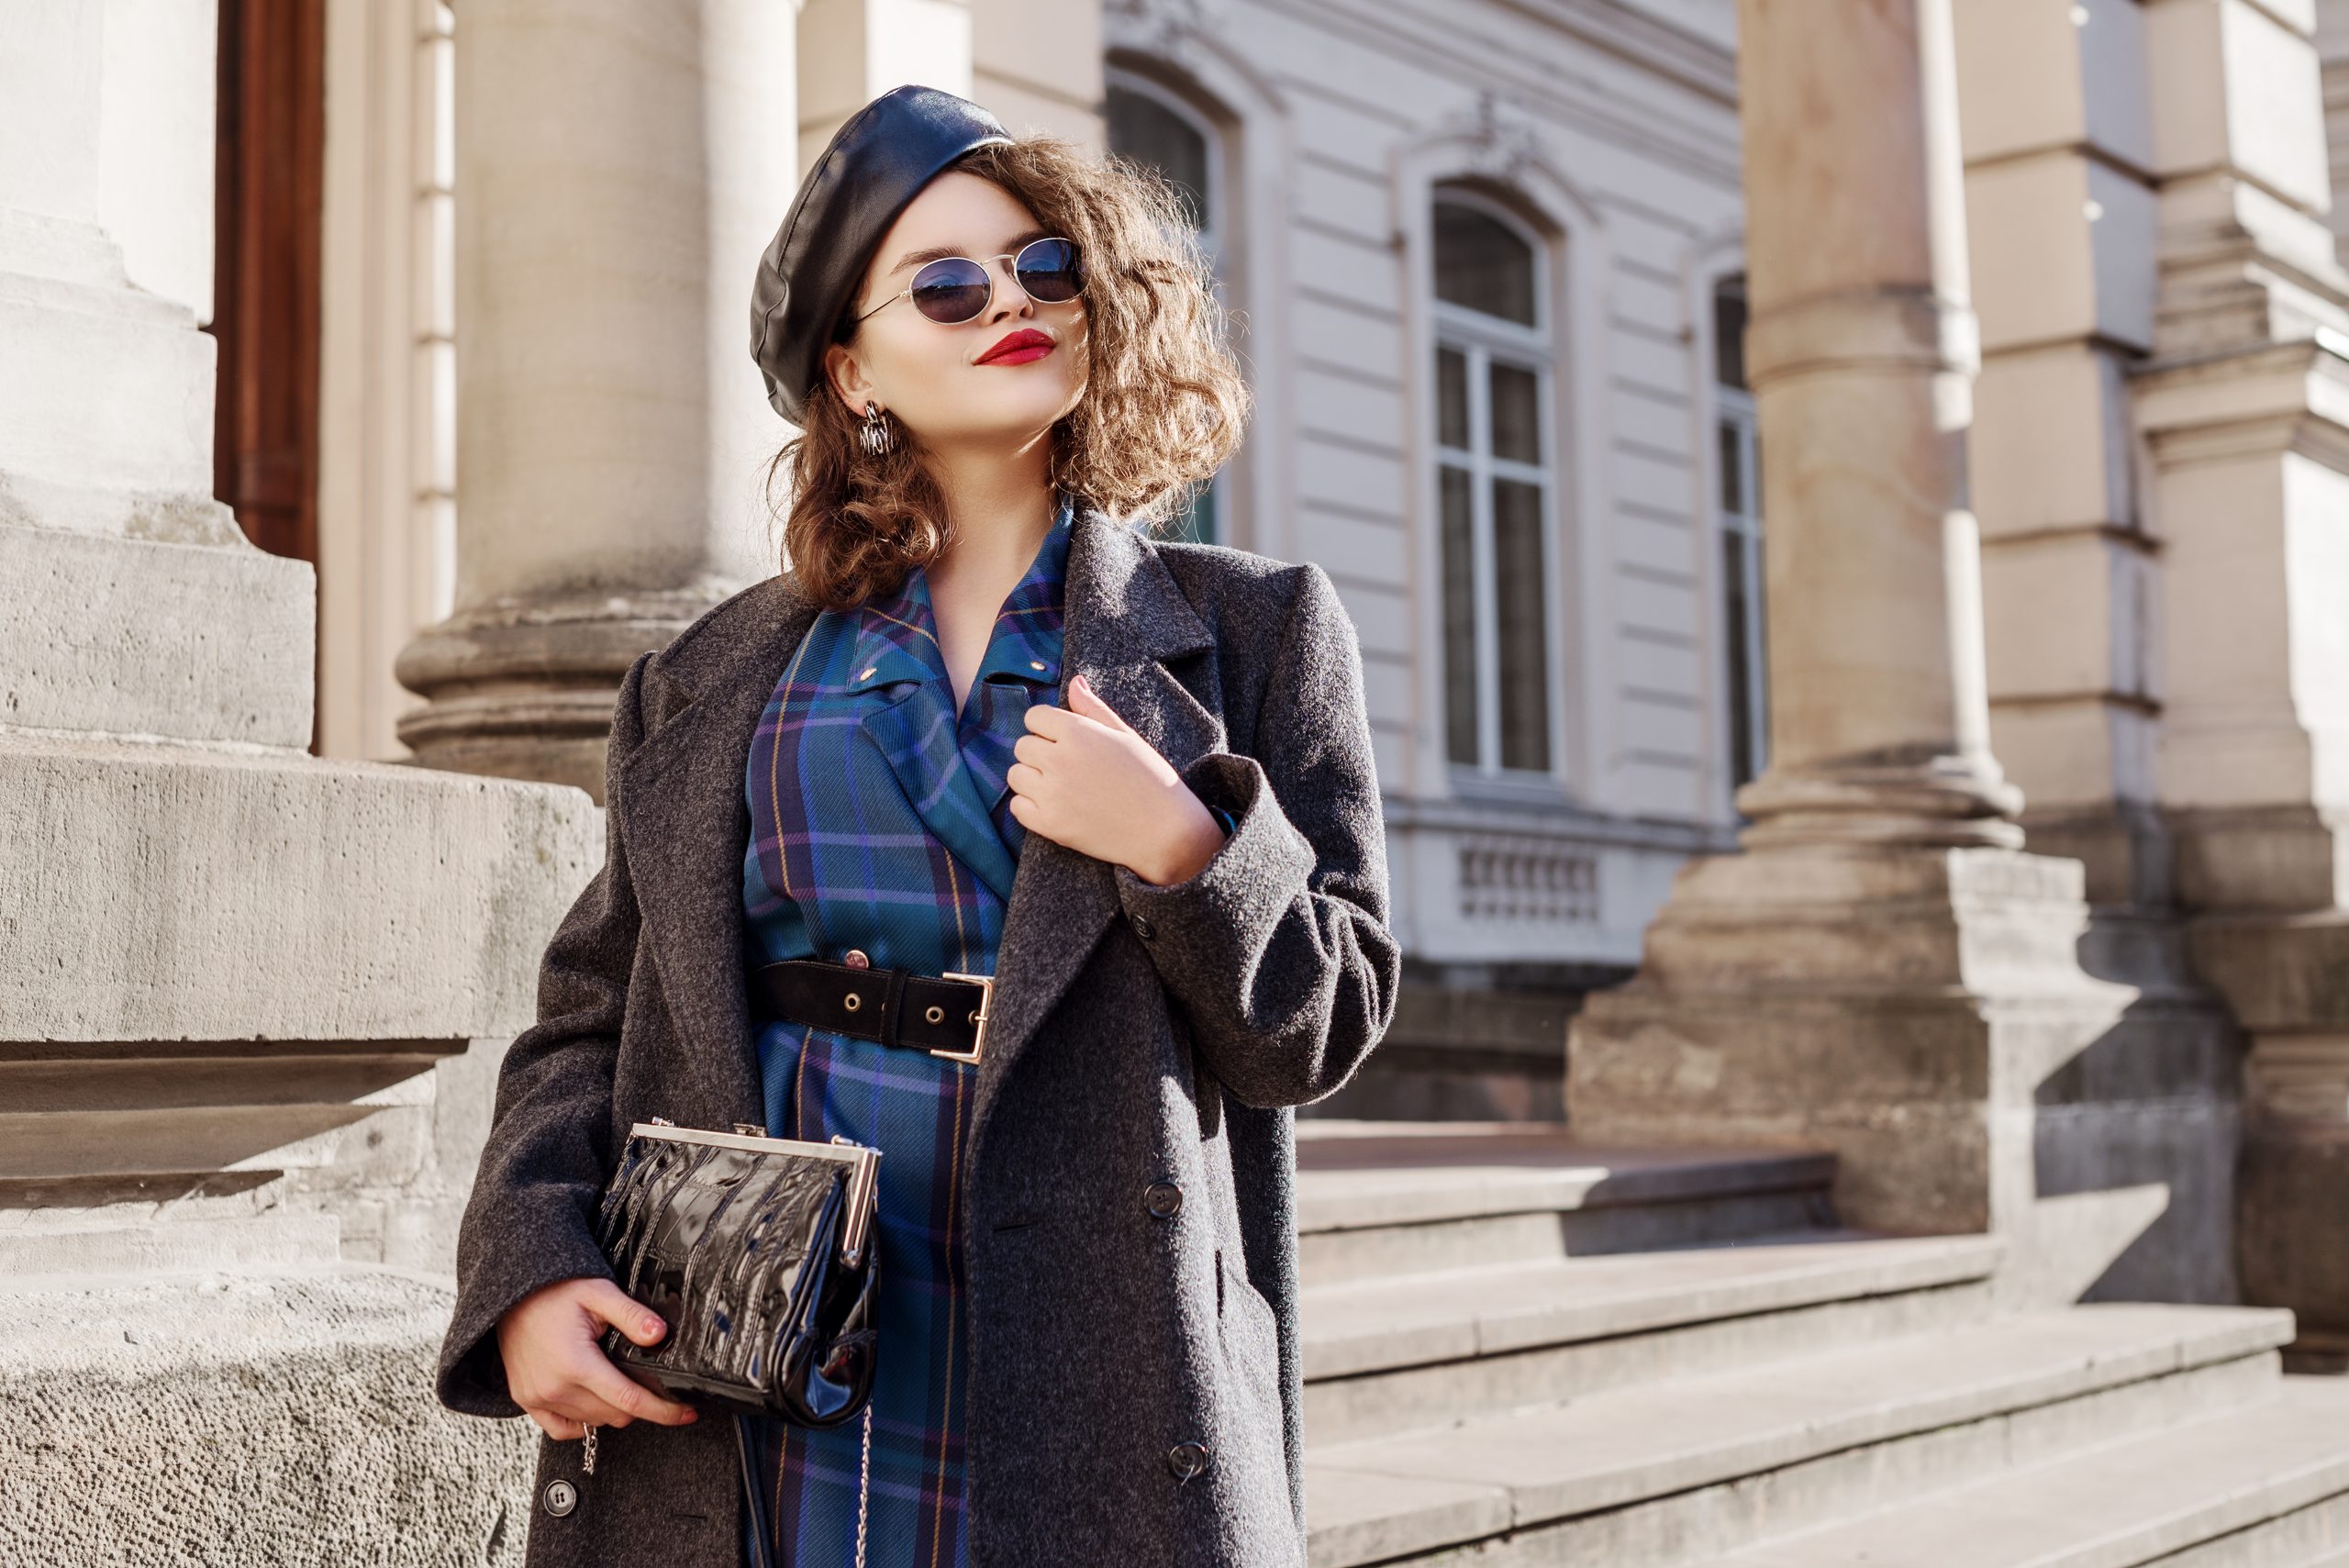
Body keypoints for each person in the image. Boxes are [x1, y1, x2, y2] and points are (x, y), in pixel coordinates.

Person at [434, 83, 1399, 1568]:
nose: (1011, 301)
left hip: (1095, 1361)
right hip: (757, 1341)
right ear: (855, 368)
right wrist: (534, 1266)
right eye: (947, 285)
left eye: (1046, 267)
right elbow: (591, 1020)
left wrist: (1188, 850)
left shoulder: (1252, 631)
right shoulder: (708, 676)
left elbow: (1317, 1026)